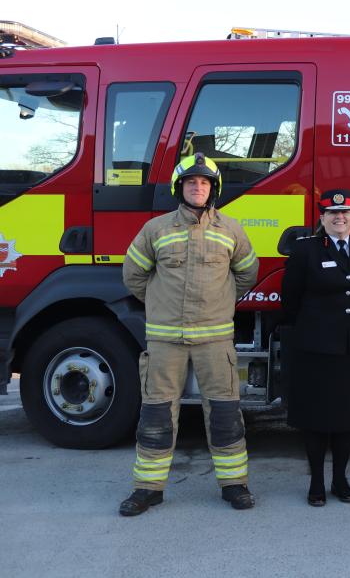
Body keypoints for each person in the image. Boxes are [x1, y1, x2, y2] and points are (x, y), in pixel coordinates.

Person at [119, 153, 259, 516]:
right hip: (165, 340)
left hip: (215, 339)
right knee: (157, 415)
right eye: (191, 182)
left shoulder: (231, 229)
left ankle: (235, 486)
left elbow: (246, 274)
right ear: (179, 188)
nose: (198, 187)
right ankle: (147, 489)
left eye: (205, 183)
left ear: (214, 189)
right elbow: (133, 276)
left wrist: (222, 298)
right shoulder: (156, 229)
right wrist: (159, 301)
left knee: (226, 413)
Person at [280, 189, 350, 506]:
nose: (340, 218)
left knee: (348, 417)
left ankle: (340, 479)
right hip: (315, 348)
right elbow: (290, 301)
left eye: (346, 213)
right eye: (332, 213)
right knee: (316, 417)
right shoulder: (305, 251)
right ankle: (317, 483)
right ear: (322, 218)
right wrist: (303, 335)